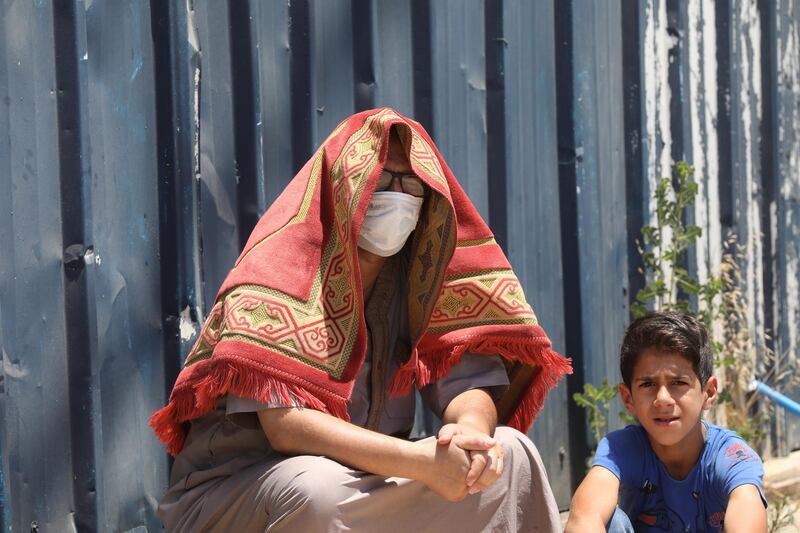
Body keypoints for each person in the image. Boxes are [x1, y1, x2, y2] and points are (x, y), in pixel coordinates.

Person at [150, 108, 571, 532]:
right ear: (343, 188)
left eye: (411, 186)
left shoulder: (418, 279)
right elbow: (288, 431)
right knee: (316, 490)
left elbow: (467, 385)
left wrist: (470, 436)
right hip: (236, 491)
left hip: (368, 480)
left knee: (511, 451)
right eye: (381, 181)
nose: (398, 196)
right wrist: (421, 463)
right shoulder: (279, 268)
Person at [565, 311, 767, 533]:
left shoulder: (731, 457)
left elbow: (747, 514)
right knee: (610, 521)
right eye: (648, 384)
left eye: (678, 382)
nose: (662, 399)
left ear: (708, 393)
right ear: (628, 398)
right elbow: (583, 519)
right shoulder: (623, 450)